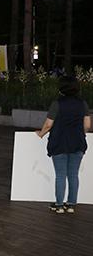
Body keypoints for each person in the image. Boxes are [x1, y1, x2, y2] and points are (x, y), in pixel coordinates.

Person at [37, 76, 90, 214]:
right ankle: (71, 204)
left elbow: (48, 124)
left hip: (59, 142)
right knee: (73, 175)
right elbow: (87, 125)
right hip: (77, 143)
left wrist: (41, 134)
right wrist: (80, 133)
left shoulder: (57, 103)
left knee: (60, 175)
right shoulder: (82, 103)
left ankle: (59, 205)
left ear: (62, 87)